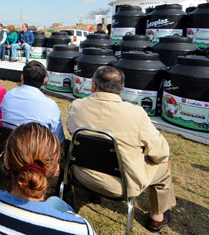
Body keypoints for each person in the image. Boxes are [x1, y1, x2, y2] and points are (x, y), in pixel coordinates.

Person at [66, 66, 176, 232]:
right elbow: (160, 152)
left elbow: (70, 129)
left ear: (93, 85)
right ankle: (157, 218)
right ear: (122, 89)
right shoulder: (136, 114)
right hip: (121, 186)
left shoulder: (77, 106)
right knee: (163, 167)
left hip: (82, 174)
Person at [0, 123, 95, 235]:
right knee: (57, 203)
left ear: (6, 161)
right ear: (56, 169)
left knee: (55, 202)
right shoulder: (80, 229)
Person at [0, 61, 65, 143]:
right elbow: (58, 139)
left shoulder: (8, 96)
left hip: (10, 147)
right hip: (36, 153)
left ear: (22, 77)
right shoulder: (50, 106)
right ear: (44, 81)